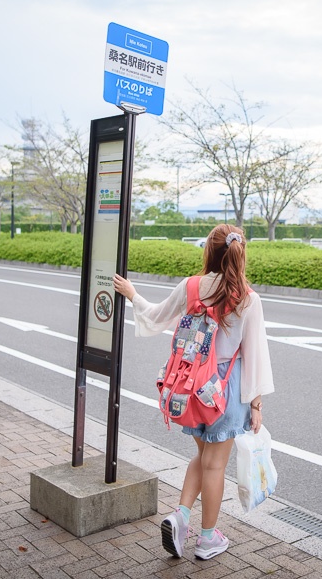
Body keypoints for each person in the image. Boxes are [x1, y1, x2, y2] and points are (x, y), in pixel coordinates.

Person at [113, 224, 274, 561]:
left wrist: (132, 293)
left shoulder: (190, 287)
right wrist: (256, 403)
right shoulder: (247, 297)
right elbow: (256, 354)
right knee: (215, 465)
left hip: (191, 387)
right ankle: (207, 539)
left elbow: (156, 316)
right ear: (239, 254)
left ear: (208, 252)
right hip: (226, 390)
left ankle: (181, 516)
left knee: (204, 458)